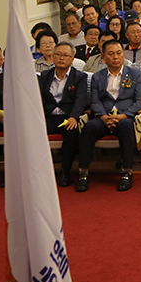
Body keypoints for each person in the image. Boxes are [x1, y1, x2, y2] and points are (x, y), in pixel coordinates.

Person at [76, 39, 141, 192]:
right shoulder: (97, 77)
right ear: (104, 56)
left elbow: (140, 101)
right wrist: (103, 116)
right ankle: (83, 173)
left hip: (124, 117)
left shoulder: (135, 74)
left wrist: (123, 115)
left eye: (119, 53)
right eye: (111, 54)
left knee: (126, 127)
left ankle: (127, 172)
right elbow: (94, 101)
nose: (116, 57)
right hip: (103, 116)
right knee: (89, 128)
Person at [37, 42, 88, 187]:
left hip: (68, 117)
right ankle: (39, 172)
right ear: (52, 57)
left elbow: (80, 100)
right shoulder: (44, 76)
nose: (61, 58)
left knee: (71, 134)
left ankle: (65, 171)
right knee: (33, 131)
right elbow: (38, 98)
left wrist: (74, 117)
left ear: (72, 59)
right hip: (48, 116)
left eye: (66, 55)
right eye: (58, 54)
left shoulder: (80, 77)